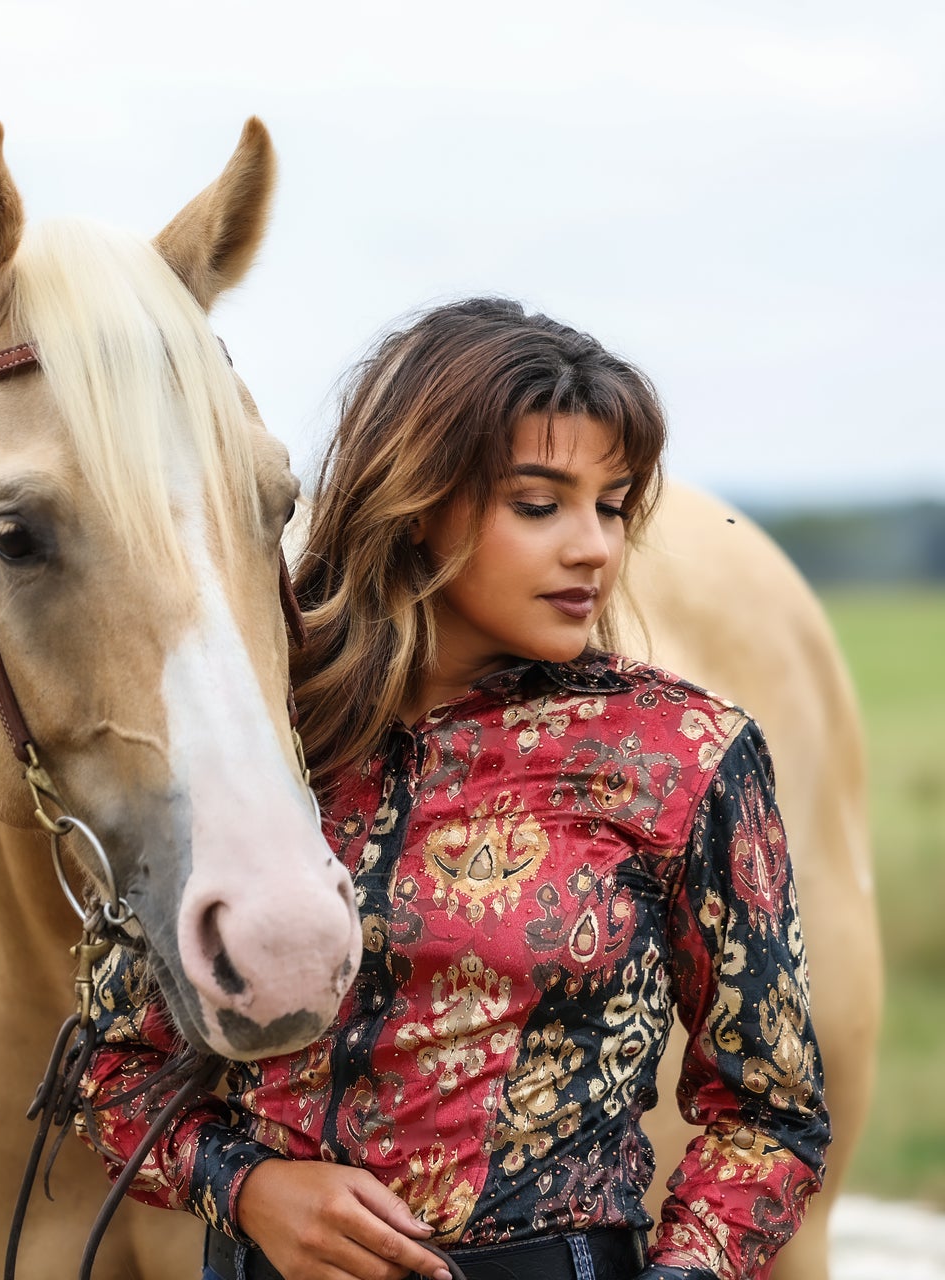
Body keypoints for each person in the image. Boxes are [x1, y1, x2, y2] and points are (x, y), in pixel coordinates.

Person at [77, 298, 829, 1280]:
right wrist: (251, 1185)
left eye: (611, 502)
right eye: (539, 502)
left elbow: (771, 1110)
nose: (594, 545)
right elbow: (112, 1067)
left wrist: (683, 1272)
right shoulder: (254, 740)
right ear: (419, 499)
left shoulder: (683, 752)